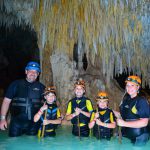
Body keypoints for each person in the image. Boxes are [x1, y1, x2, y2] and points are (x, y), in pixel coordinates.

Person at [0, 61, 45, 137]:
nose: (33, 73)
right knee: (13, 144)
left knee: (33, 146)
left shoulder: (41, 87)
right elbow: (6, 102)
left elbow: (48, 103)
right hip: (16, 123)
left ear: (38, 74)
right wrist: (2, 119)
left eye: (36, 72)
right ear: (26, 71)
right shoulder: (15, 84)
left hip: (34, 124)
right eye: (30, 71)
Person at [114, 75, 150, 145]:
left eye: (132, 85)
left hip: (139, 137)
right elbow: (123, 116)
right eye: (127, 85)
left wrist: (124, 123)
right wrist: (110, 110)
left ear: (138, 87)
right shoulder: (125, 101)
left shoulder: (141, 101)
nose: (129, 87)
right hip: (128, 135)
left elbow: (144, 122)